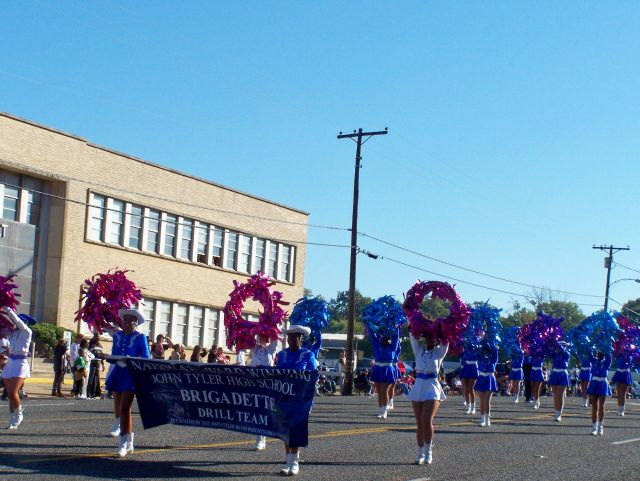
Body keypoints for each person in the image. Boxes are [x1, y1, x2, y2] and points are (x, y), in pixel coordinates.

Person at [104, 308, 151, 457]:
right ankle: (129, 440)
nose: (127, 322)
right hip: (118, 373)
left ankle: (123, 443)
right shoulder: (117, 336)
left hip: (131, 375)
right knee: (120, 408)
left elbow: (146, 358)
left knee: (125, 408)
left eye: (131, 320)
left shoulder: (140, 337)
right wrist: (105, 356)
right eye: (126, 320)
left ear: (135, 323)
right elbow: (114, 355)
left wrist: (129, 360)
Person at [275, 325, 317, 476]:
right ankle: (288, 461)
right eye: (289, 336)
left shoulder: (308, 355)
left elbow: (313, 375)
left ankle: (294, 462)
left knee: (296, 429)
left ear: (300, 338)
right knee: (286, 429)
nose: (291, 339)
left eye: (294, 337)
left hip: (301, 398)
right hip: (284, 396)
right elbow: (276, 373)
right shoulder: (282, 354)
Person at [407, 331, 448, 465]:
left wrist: (444, 326)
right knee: (419, 423)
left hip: (432, 387)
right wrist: (411, 317)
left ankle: (428, 452)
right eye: (428, 338)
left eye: (433, 338)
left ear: (437, 340)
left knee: (426, 420)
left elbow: (447, 339)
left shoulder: (439, 352)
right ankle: (420, 453)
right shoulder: (419, 350)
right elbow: (413, 336)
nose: (430, 340)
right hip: (418, 386)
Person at [1, 306, 35, 429]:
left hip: (20, 363)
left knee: (12, 391)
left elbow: (16, 320)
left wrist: (7, 308)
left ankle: (19, 413)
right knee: (9, 394)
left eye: (18, 321)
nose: (14, 323)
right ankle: (13, 415)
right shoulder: (13, 334)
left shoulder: (27, 332)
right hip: (10, 362)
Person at [250, 333, 278, 451]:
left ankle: (262, 438)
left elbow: (275, 337)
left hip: (267, 384)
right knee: (257, 411)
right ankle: (260, 438)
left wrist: (270, 325)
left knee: (264, 411)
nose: (261, 337)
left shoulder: (271, 348)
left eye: (263, 335)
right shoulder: (254, 348)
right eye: (260, 335)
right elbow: (247, 336)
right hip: (255, 383)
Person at [370, 329, 401, 419]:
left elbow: (396, 337)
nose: (384, 340)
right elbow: (372, 335)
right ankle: (381, 411)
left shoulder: (392, 347)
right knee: (379, 392)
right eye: (383, 338)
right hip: (377, 369)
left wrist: (396, 326)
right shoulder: (377, 345)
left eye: (386, 338)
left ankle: (385, 412)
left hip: (388, 370)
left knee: (384, 390)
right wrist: (368, 323)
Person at [586, 351, 611, 435]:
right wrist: (589, 346)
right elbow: (588, 353)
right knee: (594, 407)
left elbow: (609, 354)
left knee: (601, 407)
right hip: (594, 383)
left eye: (601, 354)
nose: (599, 356)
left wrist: (606, 347)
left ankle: (600, 427)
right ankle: (594, 427)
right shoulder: (593, 361)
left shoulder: (606, 362)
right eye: (598, 354)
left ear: (603, 356)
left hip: (603, 383)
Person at [474, 346, 499, 427]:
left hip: (490, 379)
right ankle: (482, 419)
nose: (486, 353)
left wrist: (493, 345)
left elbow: (495, 351)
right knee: (482, 400)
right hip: (481, 378)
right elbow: (475, 351)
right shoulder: (480, 356)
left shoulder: (493, 358)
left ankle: (488, 419)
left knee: (486, 400)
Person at [548, 343, 570, 421]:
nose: (561, 347)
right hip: (554, 374)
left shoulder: (566, 353)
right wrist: (551, 345)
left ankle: (559, 414)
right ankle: (556, 411)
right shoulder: (555, 354)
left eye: (563, 345)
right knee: (555, 395)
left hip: (562, 373)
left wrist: (556, 343)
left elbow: (562, 350)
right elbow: (549, 353)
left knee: (560, 395)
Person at [459, 349, 478, 414]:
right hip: (465, 367)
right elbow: (462, 356)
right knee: (466, 389)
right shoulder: (465, 347)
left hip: (473, 368)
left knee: (470, 388)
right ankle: (468, 408)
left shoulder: (476, 347)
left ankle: (473, 408)